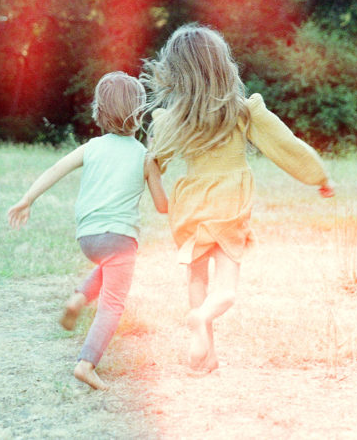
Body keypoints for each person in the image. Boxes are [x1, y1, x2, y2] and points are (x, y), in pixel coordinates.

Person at [142, 23, 334, 374]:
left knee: (197, 280)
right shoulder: (242, 111)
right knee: (226, 291)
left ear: (177, 70)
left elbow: (152, 163)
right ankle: (199, 321)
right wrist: (317, 175)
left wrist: (160, 201)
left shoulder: (173, 120)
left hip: (189, 205)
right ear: (222, 64)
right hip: (229, 204)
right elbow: (284, 144)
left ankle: (205, 357)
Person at [7, 71, 168, 391]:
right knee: (113, 304)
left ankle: (78, 299)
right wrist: (158, 165)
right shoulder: (143, 155)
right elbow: (162, 205)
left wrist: (27, 199)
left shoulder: (91, 147)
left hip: (88, 237)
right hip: (120, 237)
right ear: (140, 113)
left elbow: (56, 169)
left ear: (100, 113)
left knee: (108, 268)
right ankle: (86, 364)